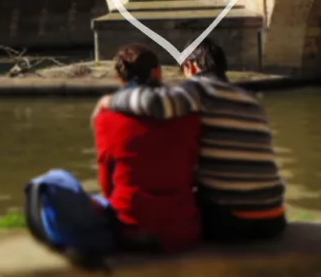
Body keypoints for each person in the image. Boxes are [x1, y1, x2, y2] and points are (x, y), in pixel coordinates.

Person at [97, 39, 287, 242]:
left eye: (183, 71)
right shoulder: (251, 101)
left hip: (232, 221)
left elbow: (155, 102)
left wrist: (111, 101)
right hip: (273, 219)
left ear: (192, 66)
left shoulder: (198, 90)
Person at [91, 44, 205, 252]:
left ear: (120, 78)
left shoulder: (107, 119)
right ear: (158, 73)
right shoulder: (189, 115)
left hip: (130, 226)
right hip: (183, 226)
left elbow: (107, 182)